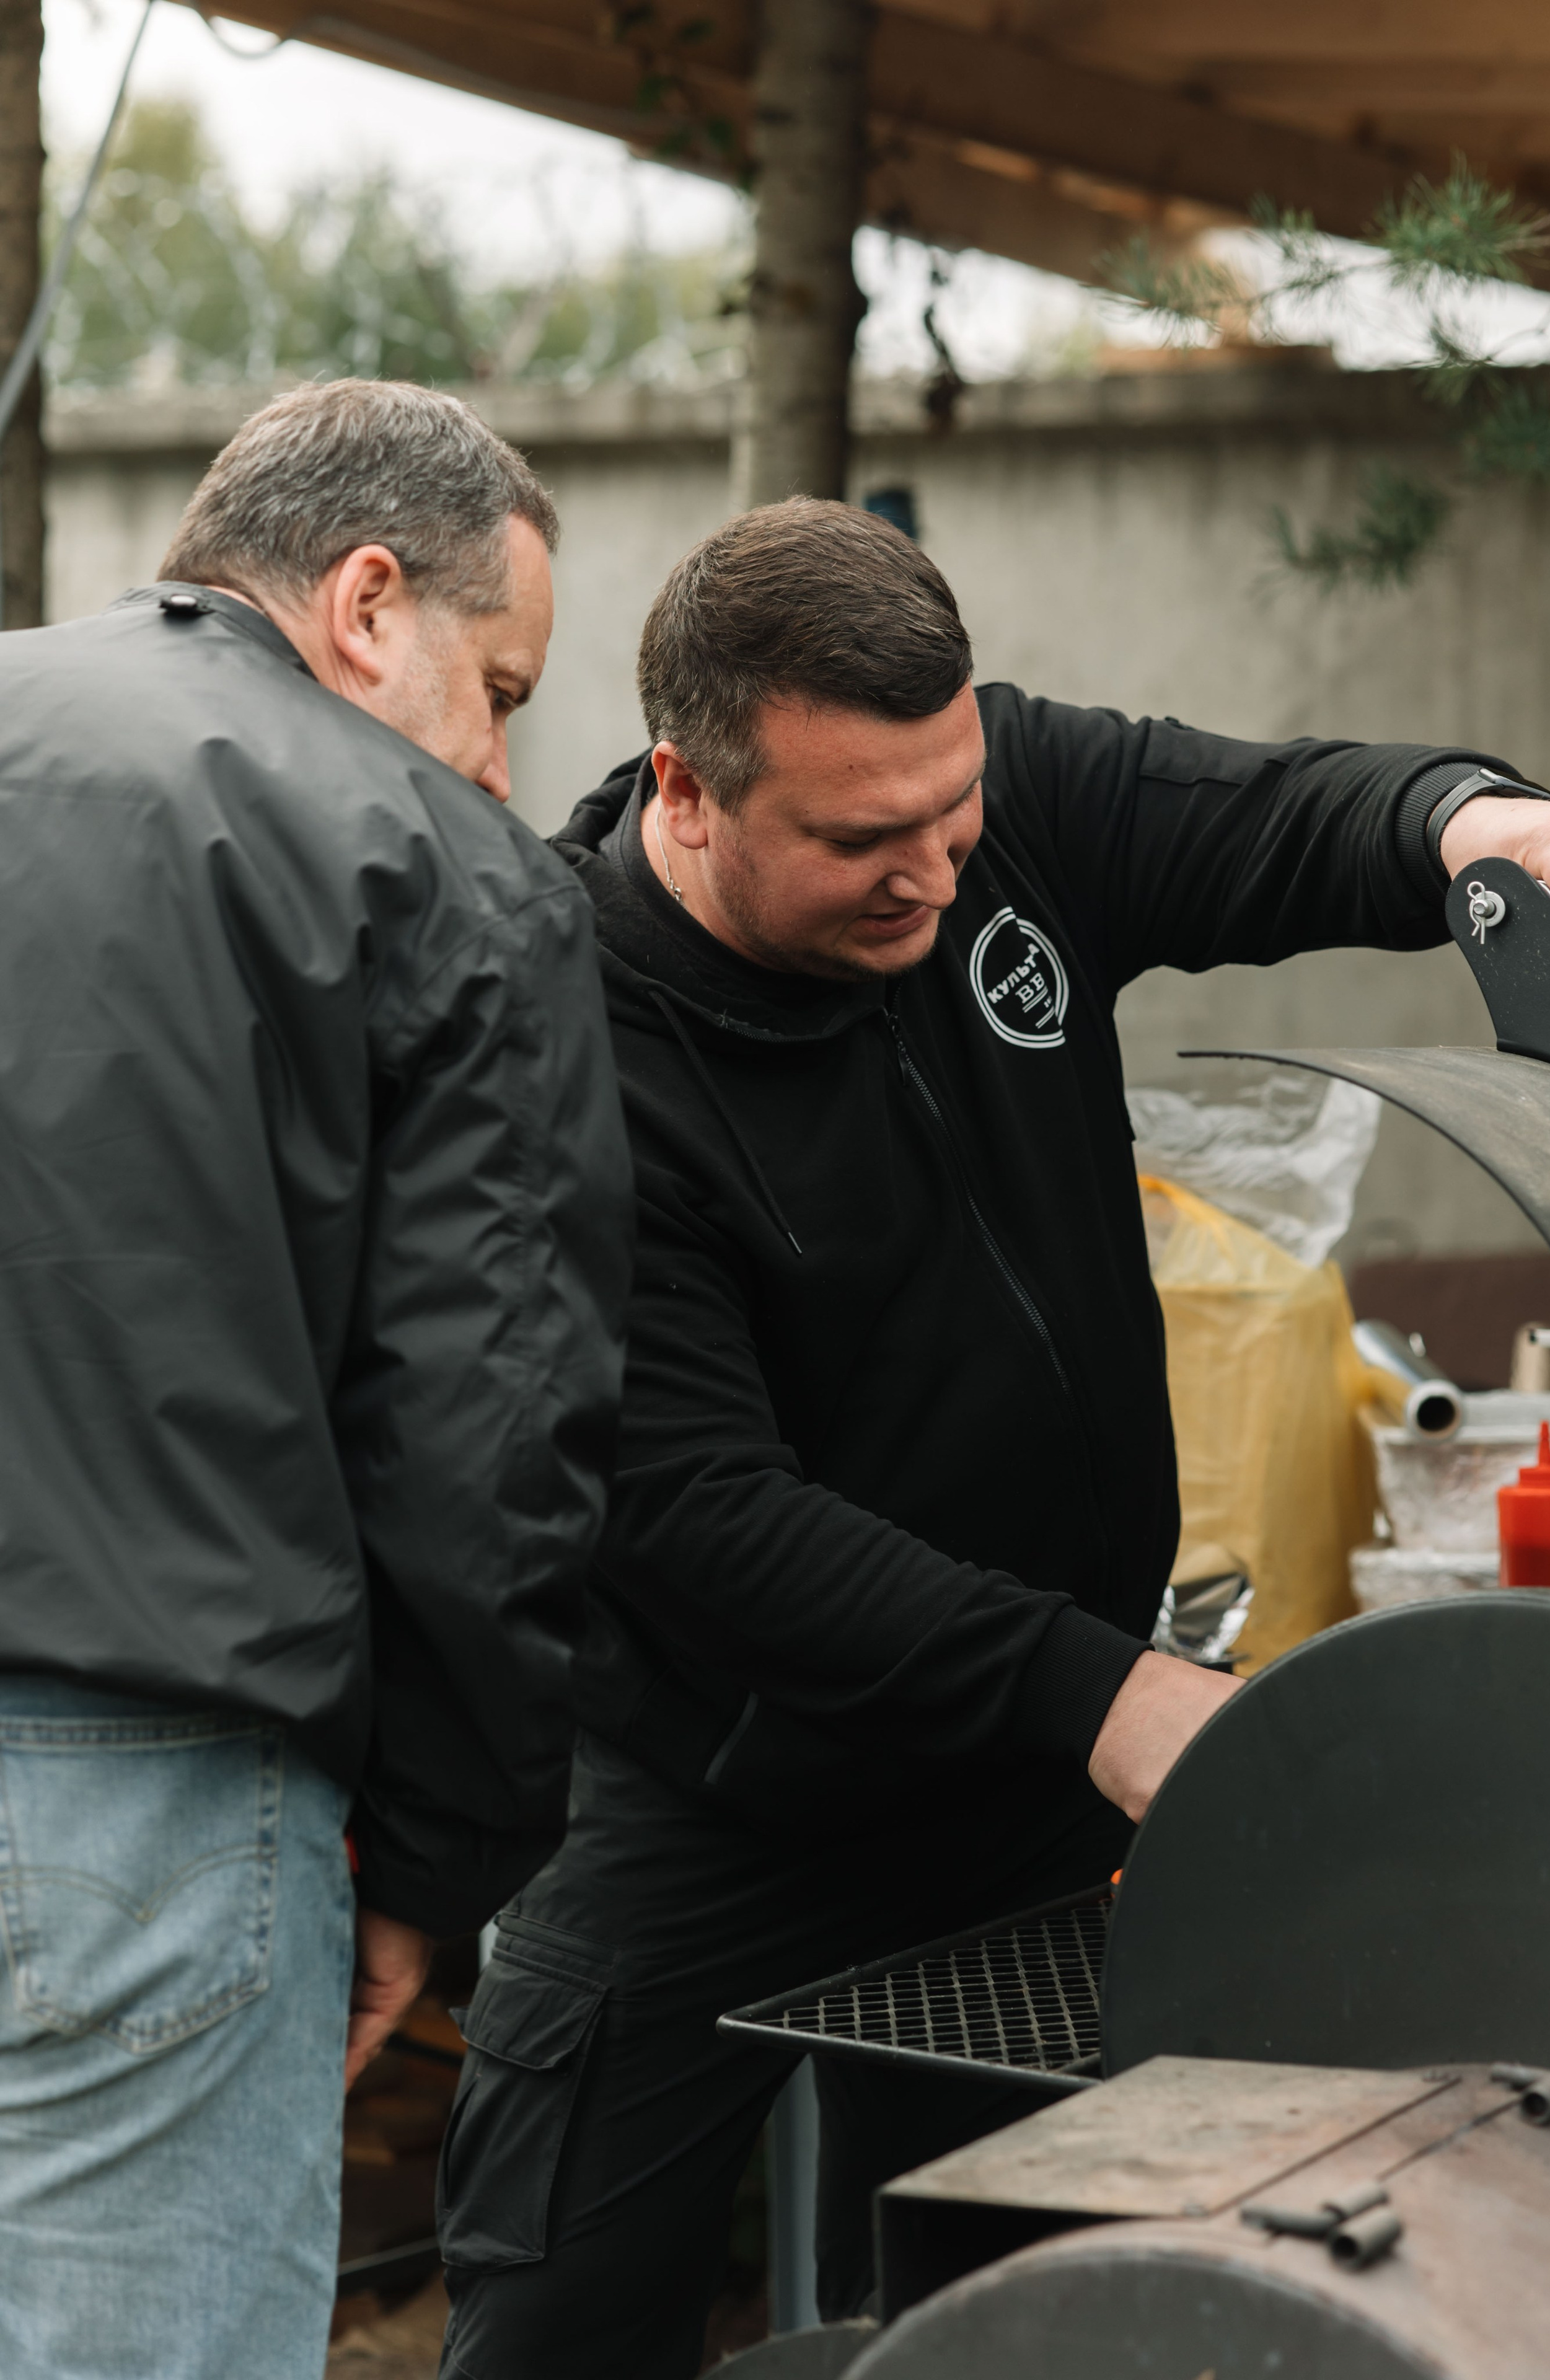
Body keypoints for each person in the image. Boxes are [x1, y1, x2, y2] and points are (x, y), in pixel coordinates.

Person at [435, 497, 1550, 2380]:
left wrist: (1469, 816)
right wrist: (1113, 1693)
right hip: (715, 1798)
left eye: (956, 820)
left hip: (1030, 1789)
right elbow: (708, 1516)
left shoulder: (994, 805)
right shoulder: (558, 1047)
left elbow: (1276, 816)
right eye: (866, 841)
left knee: (1017, 2313)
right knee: (559, 2321)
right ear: (690, 791)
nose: (937, 879)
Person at [0, 379, 631, 2380]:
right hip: (155, 1804)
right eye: (502, 683)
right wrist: (438, 1869)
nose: (504, 756)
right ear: (369, 600)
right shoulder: (443, 871)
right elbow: (490, 1438)